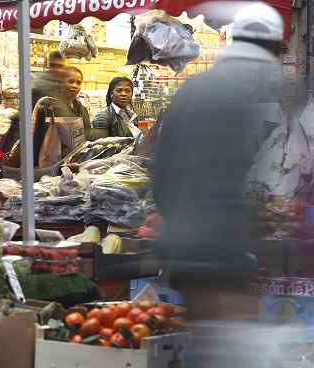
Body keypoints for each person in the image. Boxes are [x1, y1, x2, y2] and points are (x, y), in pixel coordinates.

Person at [152, 3, 284, 367]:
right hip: (212, 256)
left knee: (209, 349)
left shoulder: (195, 90)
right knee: (233, 355)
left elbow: (162, 175)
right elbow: (217, 183)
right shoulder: (226, 96)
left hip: (188, 250)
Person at [31, 51, 78, 118]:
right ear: (46, 66)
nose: (56, 70)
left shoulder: (60, 90)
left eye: (60, 66)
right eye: (52, 65)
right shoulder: (37, 89)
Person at [65, 67, 93, 140]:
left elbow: (89, 135)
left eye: (78, 83)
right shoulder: (54, 108)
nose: (75, 86)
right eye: (71, 82)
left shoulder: (82, 109)